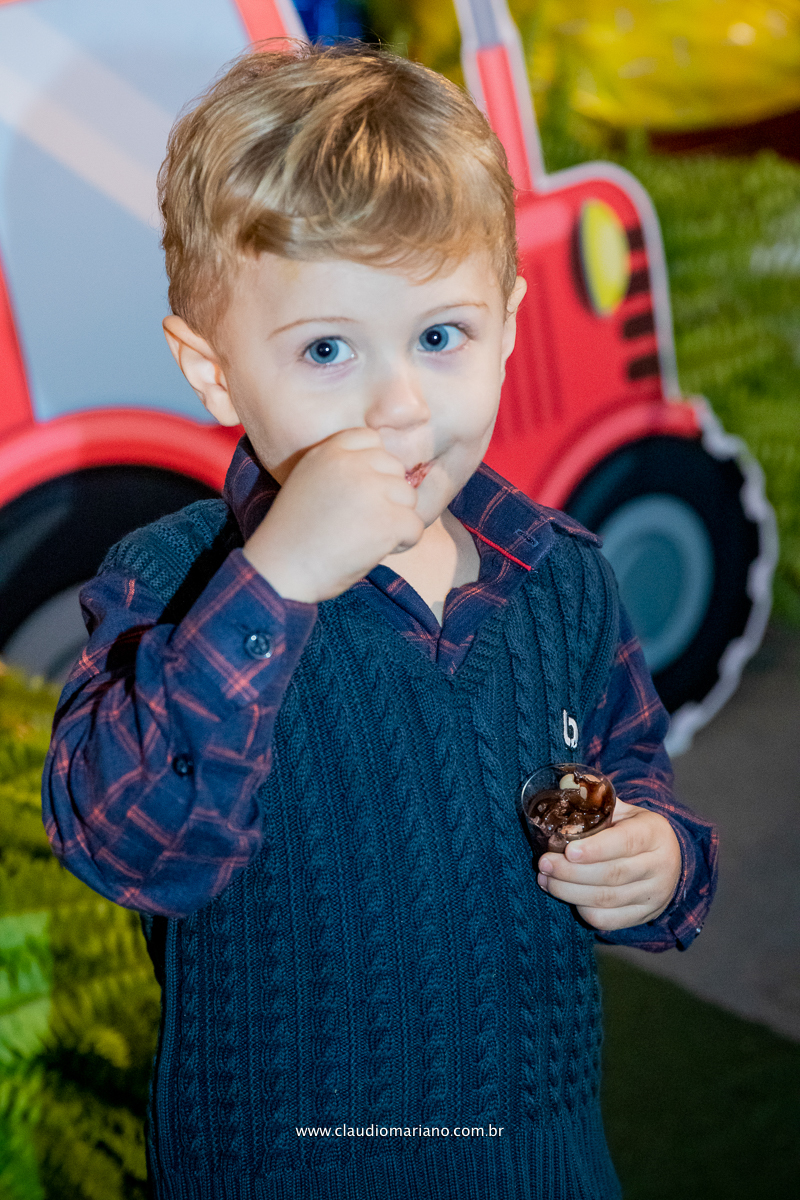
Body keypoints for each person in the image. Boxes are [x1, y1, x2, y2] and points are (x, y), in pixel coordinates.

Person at [43, 41, 717, 1200]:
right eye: (325, 350)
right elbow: (130, 846)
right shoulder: (168, 586)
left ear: (507, 322)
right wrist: (274, 584)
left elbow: (637, 786)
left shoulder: (562, 581)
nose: (399, 406)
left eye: (439, 337)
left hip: (543, 1166)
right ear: (212, 370)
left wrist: (656, 865)